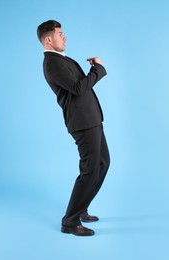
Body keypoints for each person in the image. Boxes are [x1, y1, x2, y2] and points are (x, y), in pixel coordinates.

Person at [37, 20, 110, 236]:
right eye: (60, 33)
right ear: (49, 39)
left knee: (103, 163)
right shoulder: (52, 63)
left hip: (92, 119)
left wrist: (93, 70)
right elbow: (79, 89)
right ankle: (69, 222)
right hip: (82, 123)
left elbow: (78, 86)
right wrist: (99, 70)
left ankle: (82, 207)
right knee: (90, 170)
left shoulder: (61, 59)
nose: (65, 36)